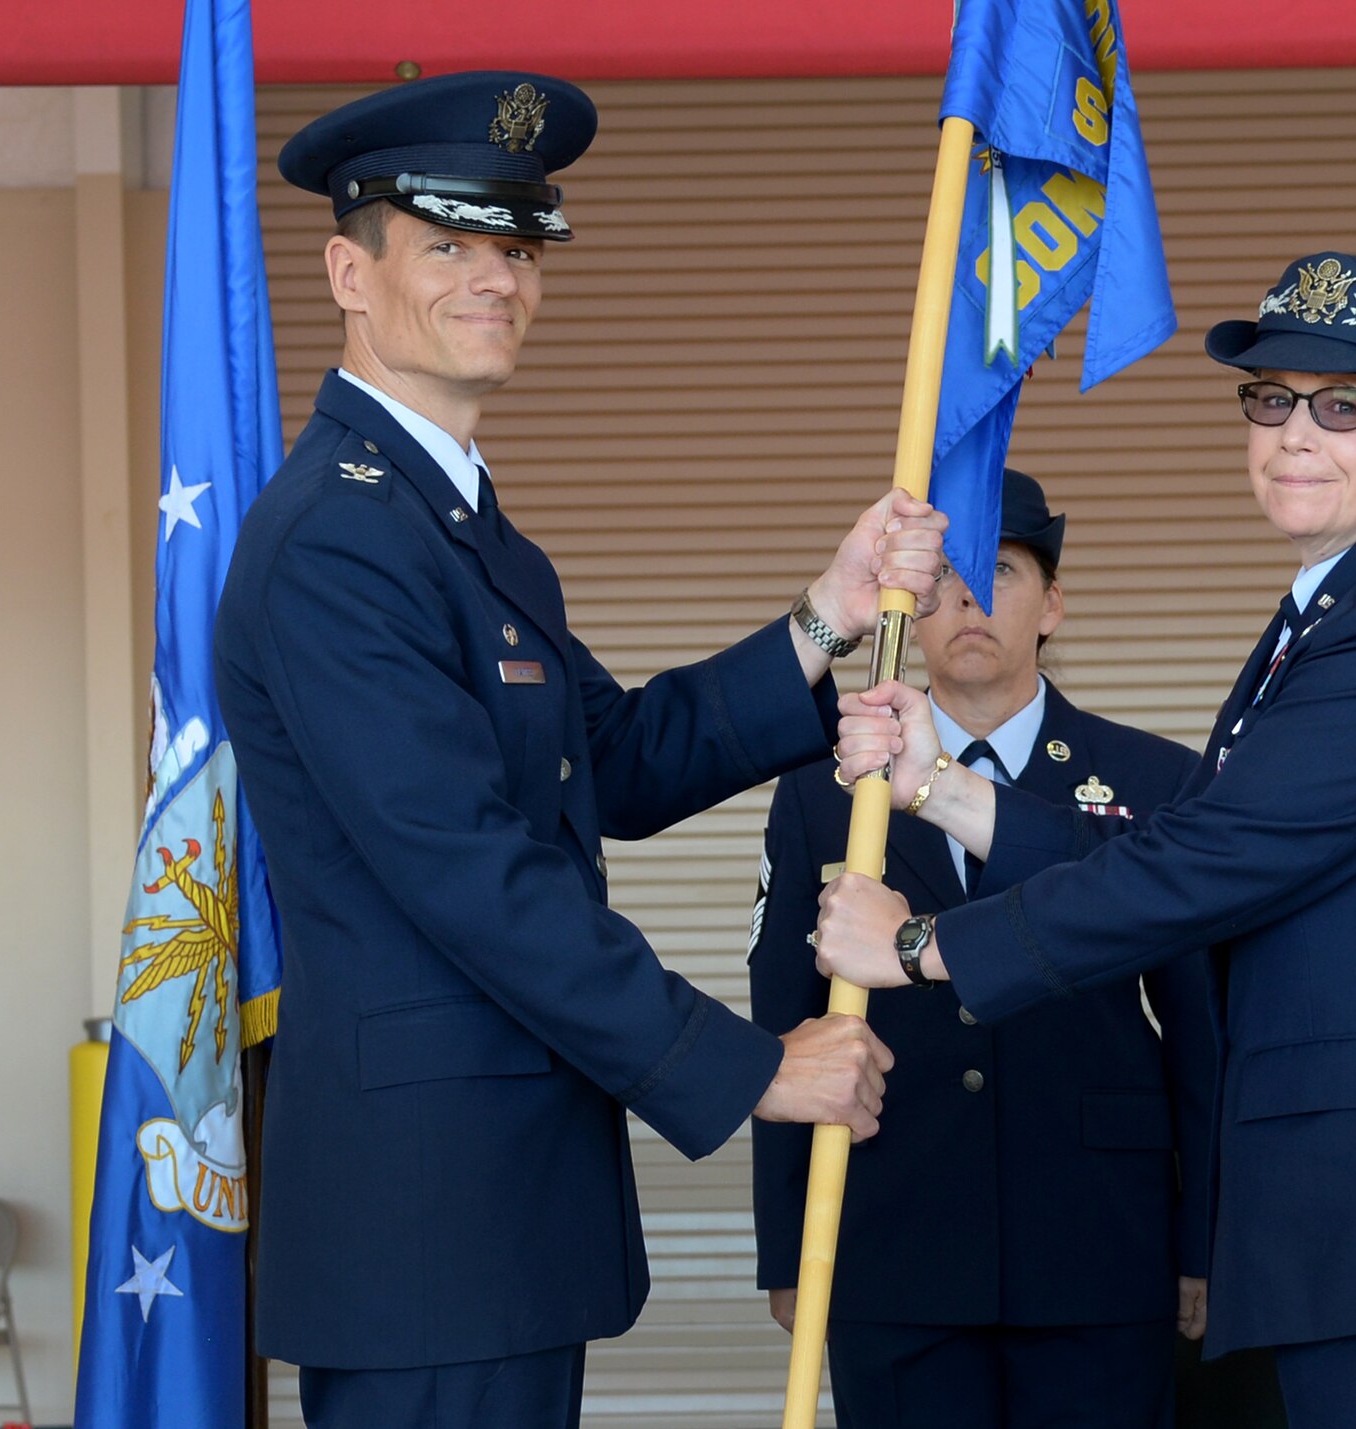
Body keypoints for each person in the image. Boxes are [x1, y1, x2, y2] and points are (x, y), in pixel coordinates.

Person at [211, 72, 944, 1429]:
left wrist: (825, 616)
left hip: (496, 1217)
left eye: (516, 247)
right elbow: (470, 874)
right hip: (425, 1228)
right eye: (448, 244)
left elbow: (611, 756)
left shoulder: (462, 530)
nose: (497, 279)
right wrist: (751, 1064)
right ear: (346, 273)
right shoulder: (337, 543)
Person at [812, 253, 1356, 1429]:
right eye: (1271, 398)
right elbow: (1199, 842)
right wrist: (945, 790)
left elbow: (1200, 872)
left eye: (1344, 405)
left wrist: (926, 941)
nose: (1294, 432)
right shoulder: (1340, 608)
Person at [750, 469, 1209, 1429]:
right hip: (896, 1236)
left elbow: (1199, 1028)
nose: (968, 599)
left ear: (1053, 605)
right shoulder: (825, 789)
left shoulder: (1151, 778)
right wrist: (789, 1246)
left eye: (999, 571)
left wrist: (1202, 1239)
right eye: (946, 579)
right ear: (909, 612)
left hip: (1098, 1243)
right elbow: (784, 1018)